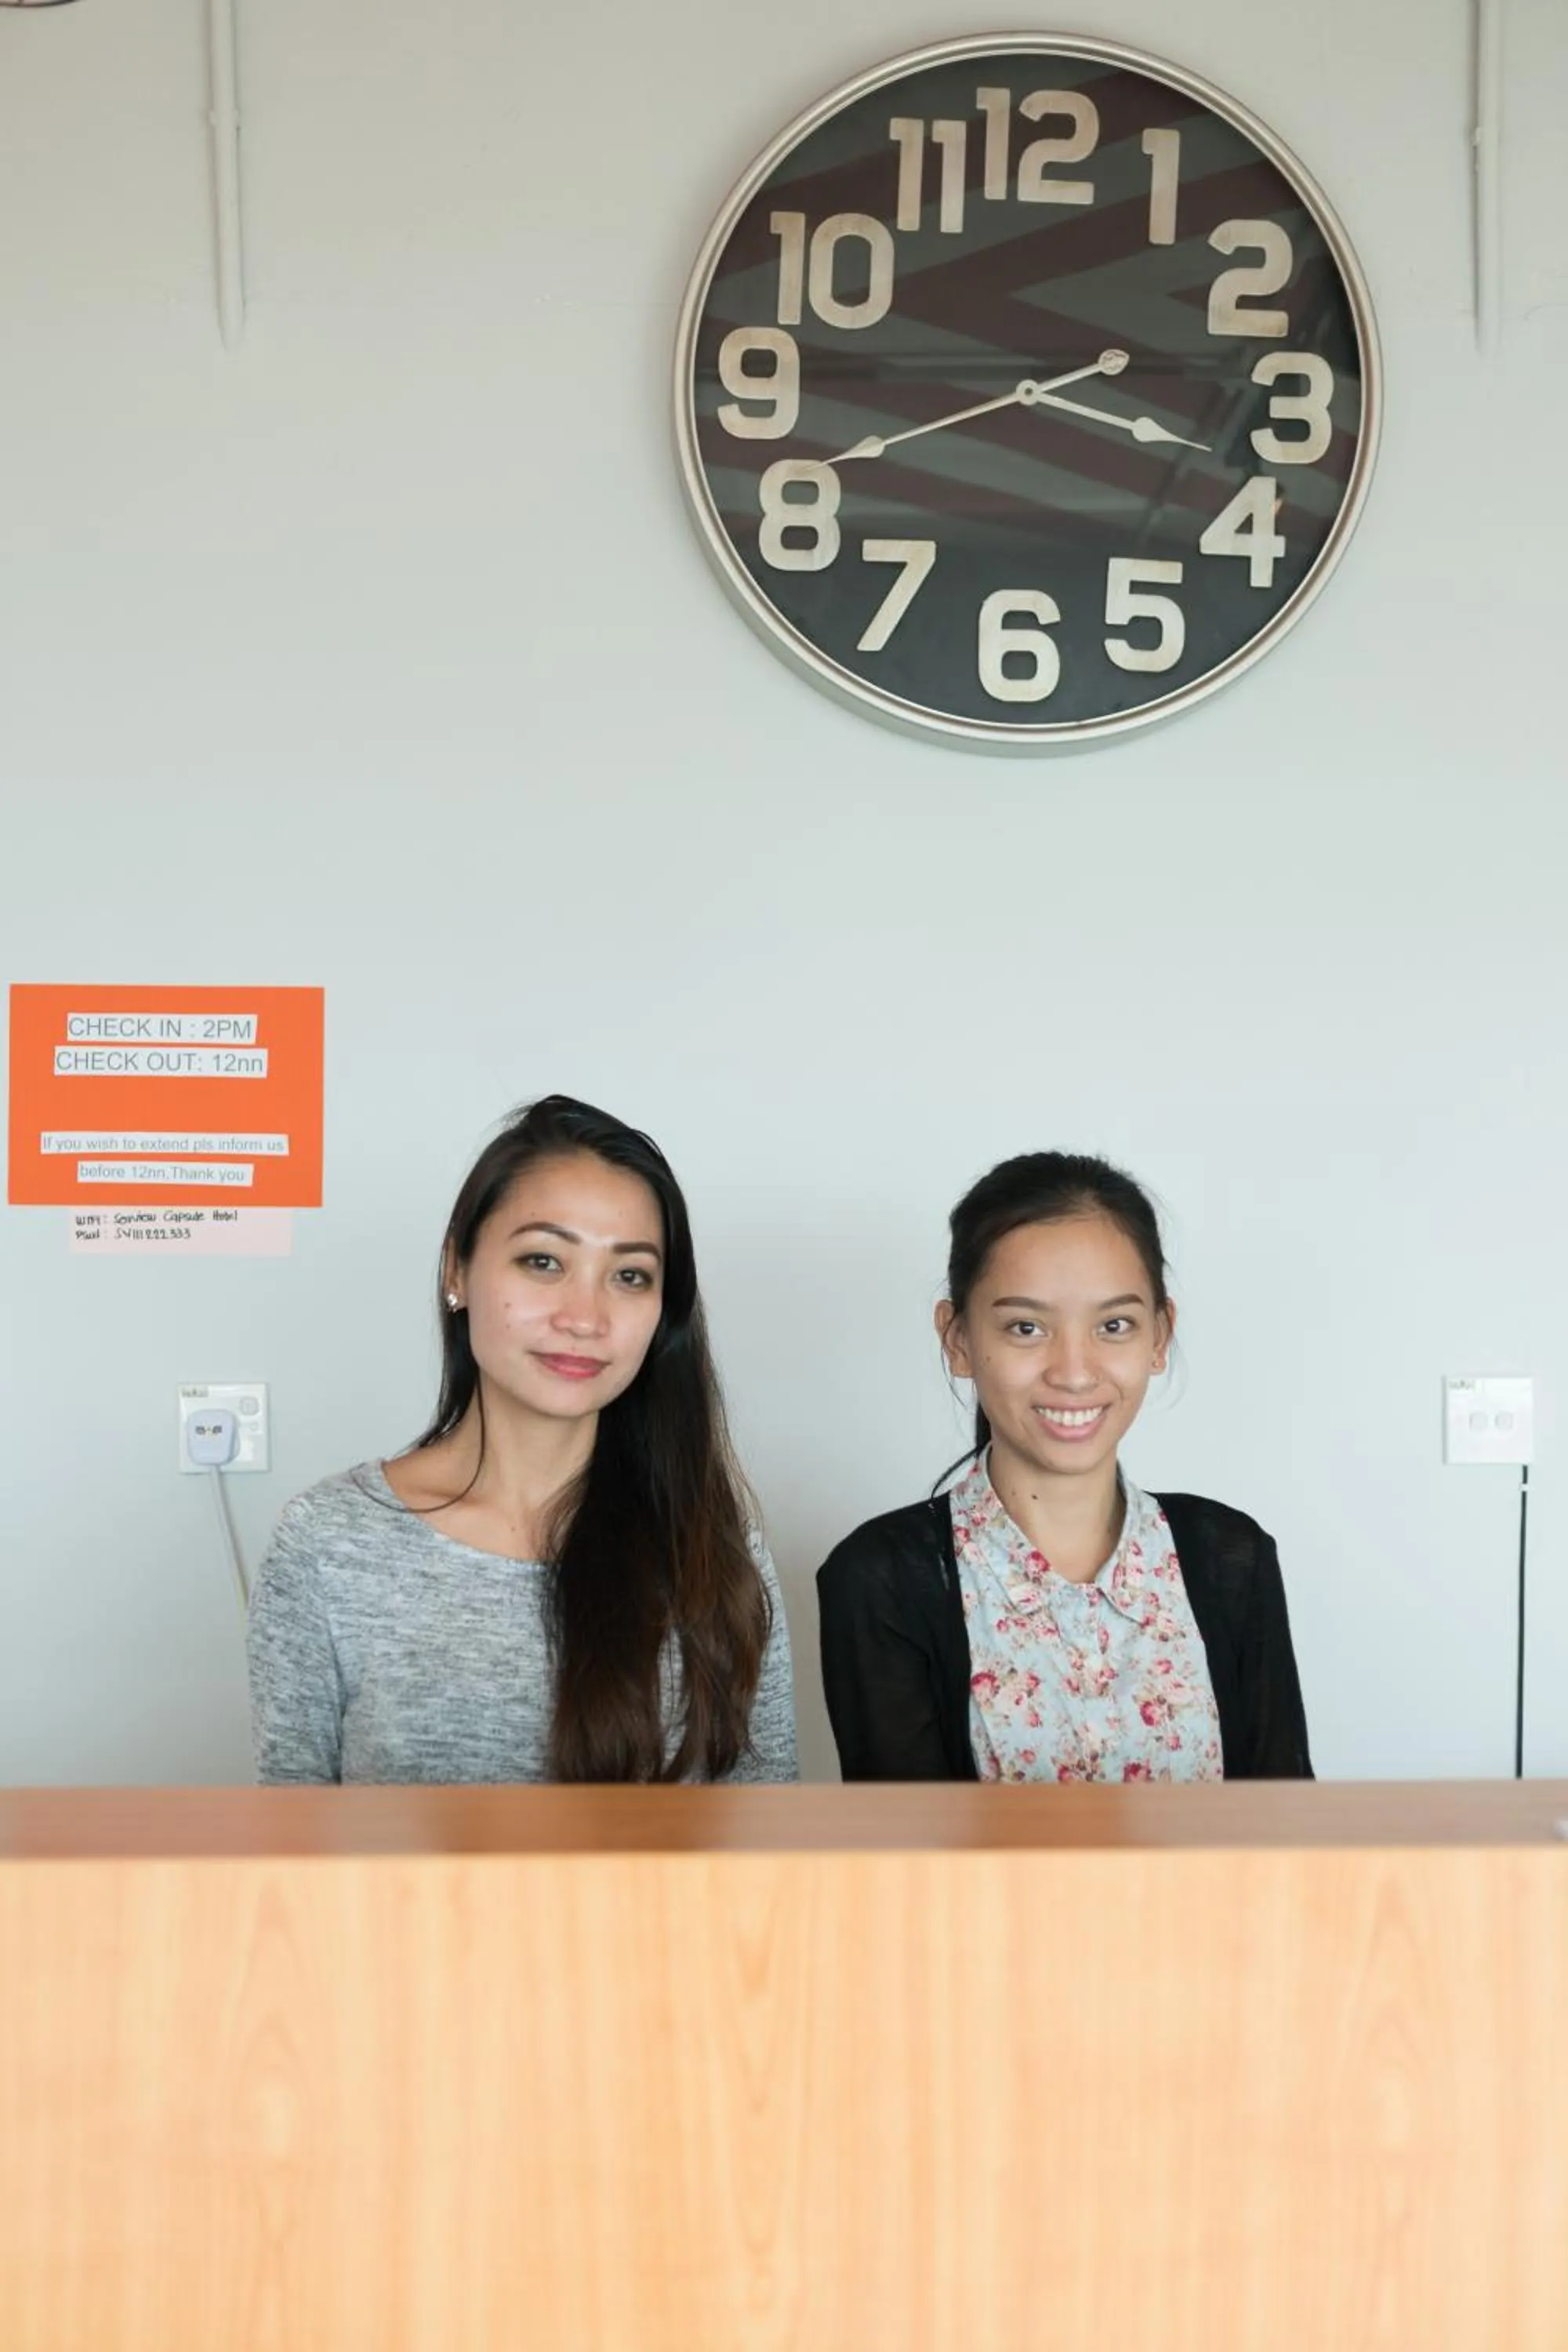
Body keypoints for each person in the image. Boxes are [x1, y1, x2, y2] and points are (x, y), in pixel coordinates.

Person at [249, 1094, 797, 1784]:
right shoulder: (328, 1541)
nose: (585, 1317)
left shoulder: (709, 1541)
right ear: (458, 1272)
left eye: (629, 1276)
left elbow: (767, 1832)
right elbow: (296, 1844)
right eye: (543, 1262)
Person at [817, 1152, 1311, 1783]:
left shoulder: (1230, 1558)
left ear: (1159, 1338)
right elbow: (912, 1866)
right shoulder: (883, 1578)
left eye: (1114, 1324)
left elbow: (1285, 1828)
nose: (1075, 1372)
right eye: (1026, 1327)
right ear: (959, 1339)